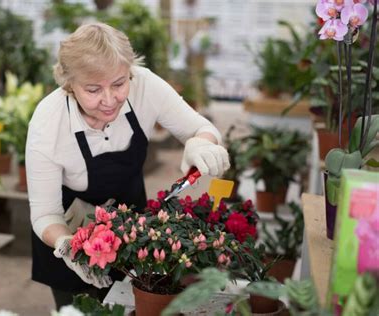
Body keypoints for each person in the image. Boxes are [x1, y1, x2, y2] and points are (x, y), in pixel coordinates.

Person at [26, 22, 230, 309]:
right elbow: (45, 214)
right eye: (93, 89)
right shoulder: (48, 121)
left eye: (119, 84)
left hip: (130, 224)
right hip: (67, 229)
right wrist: (68, 246)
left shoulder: (144, 85)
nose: (109, 100)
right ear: (69, 83)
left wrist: (201, 144)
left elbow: (200, 128)